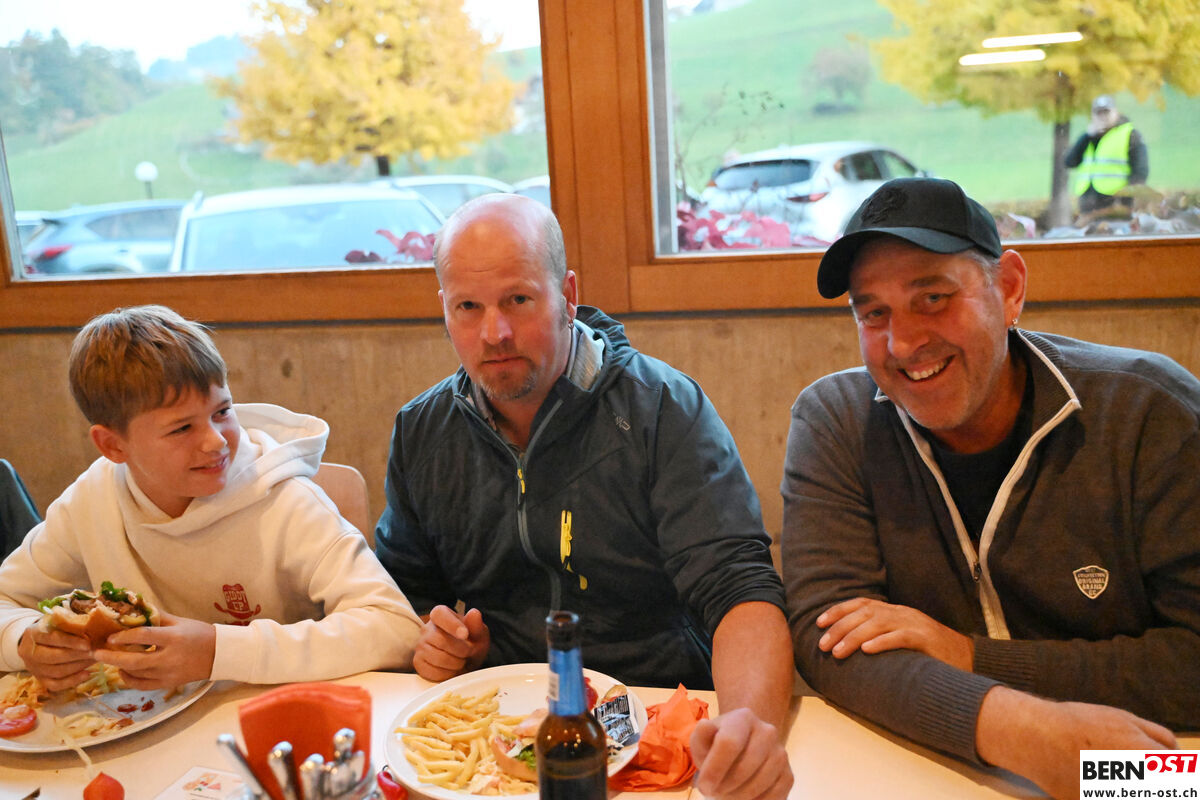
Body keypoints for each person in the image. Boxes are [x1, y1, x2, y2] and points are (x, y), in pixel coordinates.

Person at [782, 177, 1198, 800]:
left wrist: (970, 657)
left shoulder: (1148, 413)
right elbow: (830, 640)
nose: (903, 343)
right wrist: (1025, 733)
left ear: (1008, 289)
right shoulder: (836, 420)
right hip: (941, 770)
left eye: (933, 298)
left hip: (1148, 766)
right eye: (874, 314)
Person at [375, 194, 794, 800]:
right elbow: (401, 595)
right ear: (444, 309)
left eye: (518, 300)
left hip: (660, 722)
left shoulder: (662, 410)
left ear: (567, 294)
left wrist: (748, 730)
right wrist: (437, 639)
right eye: (468, 307)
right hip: (497, 740)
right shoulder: (423, 431)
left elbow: (738, 590)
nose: (494, 333)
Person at [0, 305, 422, 690]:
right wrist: (22, 641)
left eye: (222, 412)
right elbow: (7, 599)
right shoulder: (89, 504)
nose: (216, 441)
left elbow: (395, 629)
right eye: (182, 428)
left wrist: (218, 652)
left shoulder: (287, 502)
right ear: (113, 445)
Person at [1064, 94, 1149, 215]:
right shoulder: (1088, 137)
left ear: (1116, 113)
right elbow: (1069, 162)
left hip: (1116, 203)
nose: (1102, 116)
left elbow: (1140, 171)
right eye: (1098, 113)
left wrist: (1128, 196)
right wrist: (1086, 137)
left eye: (1106, 112)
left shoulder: (1130, 134)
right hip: (1088, 205)